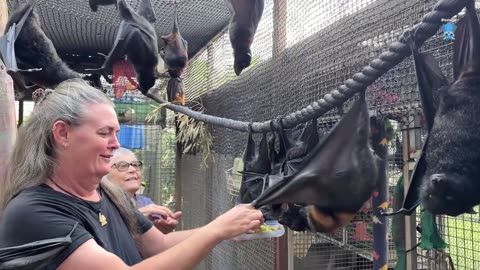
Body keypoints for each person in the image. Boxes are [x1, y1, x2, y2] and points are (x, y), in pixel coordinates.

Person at [0, 79, 264, 269]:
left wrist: (227, 227)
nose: (115, 144)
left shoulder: (107, 192)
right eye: (104, 133)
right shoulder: (34, 212)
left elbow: (159, 246)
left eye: (115, 132)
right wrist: (216, 231)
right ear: (62, 133)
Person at [107, 147, 181, 234]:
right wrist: (138, 216)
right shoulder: (101, 204)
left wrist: (161, 229)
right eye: (123, 166)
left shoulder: (146, 203)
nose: (132, 169)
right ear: (105, 173)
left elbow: (157, 240)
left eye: (135, 165)